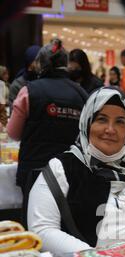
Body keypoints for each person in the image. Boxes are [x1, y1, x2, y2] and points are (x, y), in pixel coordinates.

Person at [27, 87, 125, 255]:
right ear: (86, 122)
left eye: (120, 122)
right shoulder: (62, 168)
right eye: (101, 119)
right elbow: (42, 229)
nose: (110, 129)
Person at [7, 39, 88, 193]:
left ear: (41, 64)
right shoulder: (82, 95)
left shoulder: (29, 91)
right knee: (67, 216)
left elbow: (13, 133)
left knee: (33, 216)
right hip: (70, 172)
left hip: (34, 171)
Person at [8, 45, 40, 110]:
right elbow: (14, 111)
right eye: (39, 60)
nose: (42, 63)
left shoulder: (44, 80)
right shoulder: (17, 85)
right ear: (30, 63)